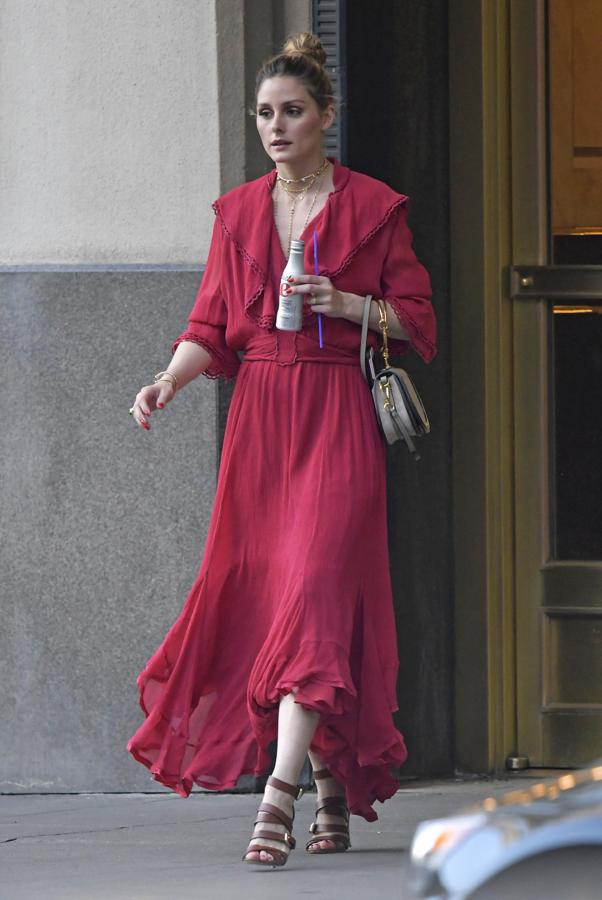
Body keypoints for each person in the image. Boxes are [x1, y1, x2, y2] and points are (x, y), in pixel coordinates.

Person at [126, 31, 437, 868]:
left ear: (325, 117)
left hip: (336, 410)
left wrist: (341, 299)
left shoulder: (374, 207)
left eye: (291, 111)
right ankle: (331, 787)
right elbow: (207, 326)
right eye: (265, 113)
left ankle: (278, 795)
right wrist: (168, 381)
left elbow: (414, 318)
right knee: (274, 598)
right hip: (261, 419)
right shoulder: (237, 213)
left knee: (315, 593)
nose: (276, 125)